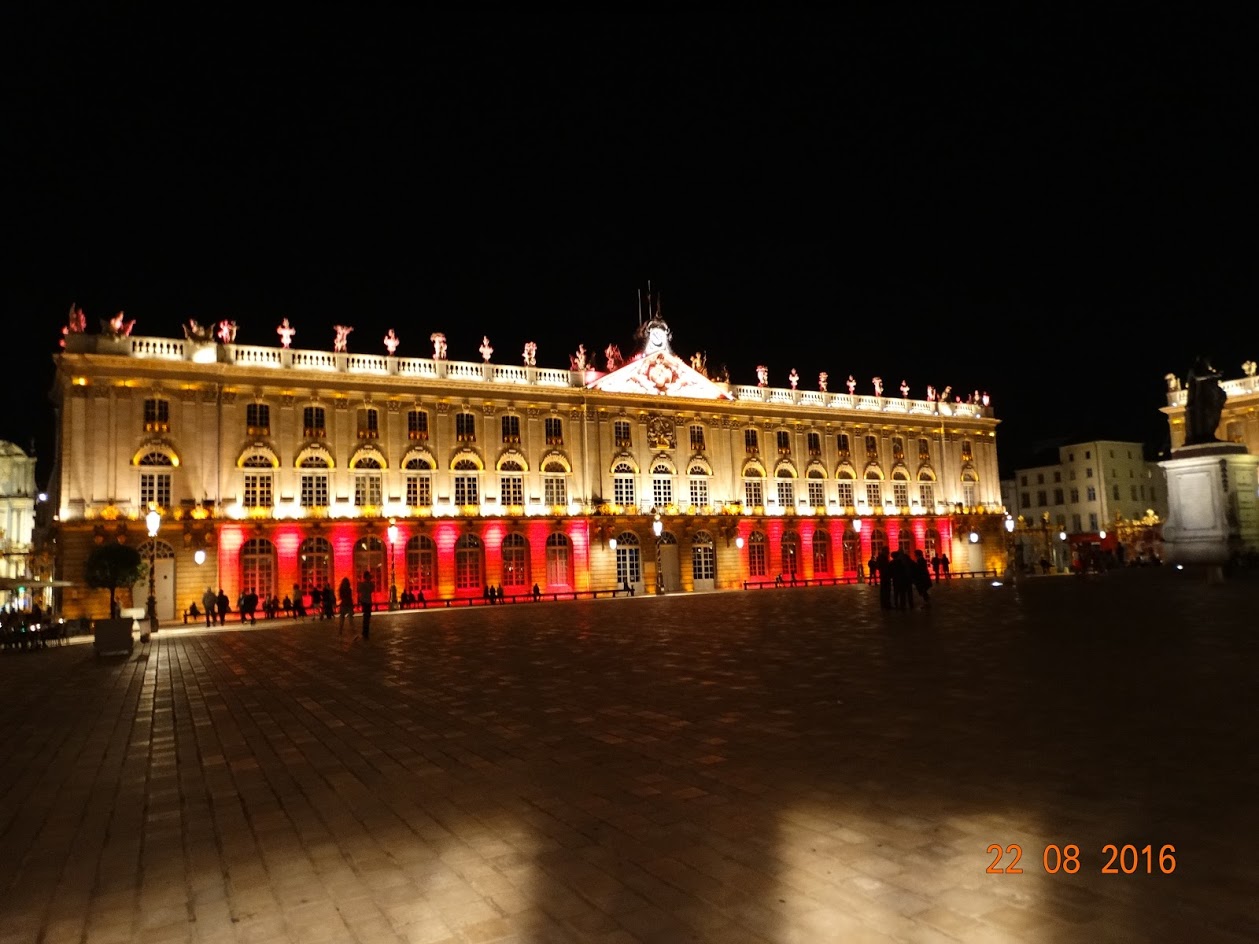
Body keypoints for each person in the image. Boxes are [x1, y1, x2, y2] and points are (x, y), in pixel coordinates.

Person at [357, 569, 374, 640]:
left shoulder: (366, 584)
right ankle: (365, 632)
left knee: (366, 617)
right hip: (366, 601)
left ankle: (365, 632)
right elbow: (370, 590)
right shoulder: (365, 584)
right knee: (366, 617)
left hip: (366, 601)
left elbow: (359, 590)